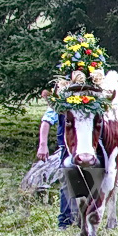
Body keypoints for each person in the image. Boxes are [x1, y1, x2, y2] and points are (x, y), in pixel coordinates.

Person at [37, 95, 74, 228]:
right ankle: (65, 221)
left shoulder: (93, 98)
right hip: (68, 146)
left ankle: (88, 218)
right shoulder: (63, 97)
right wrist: (42, 144)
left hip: (89, 147)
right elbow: (47, 120)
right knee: (67, 180)